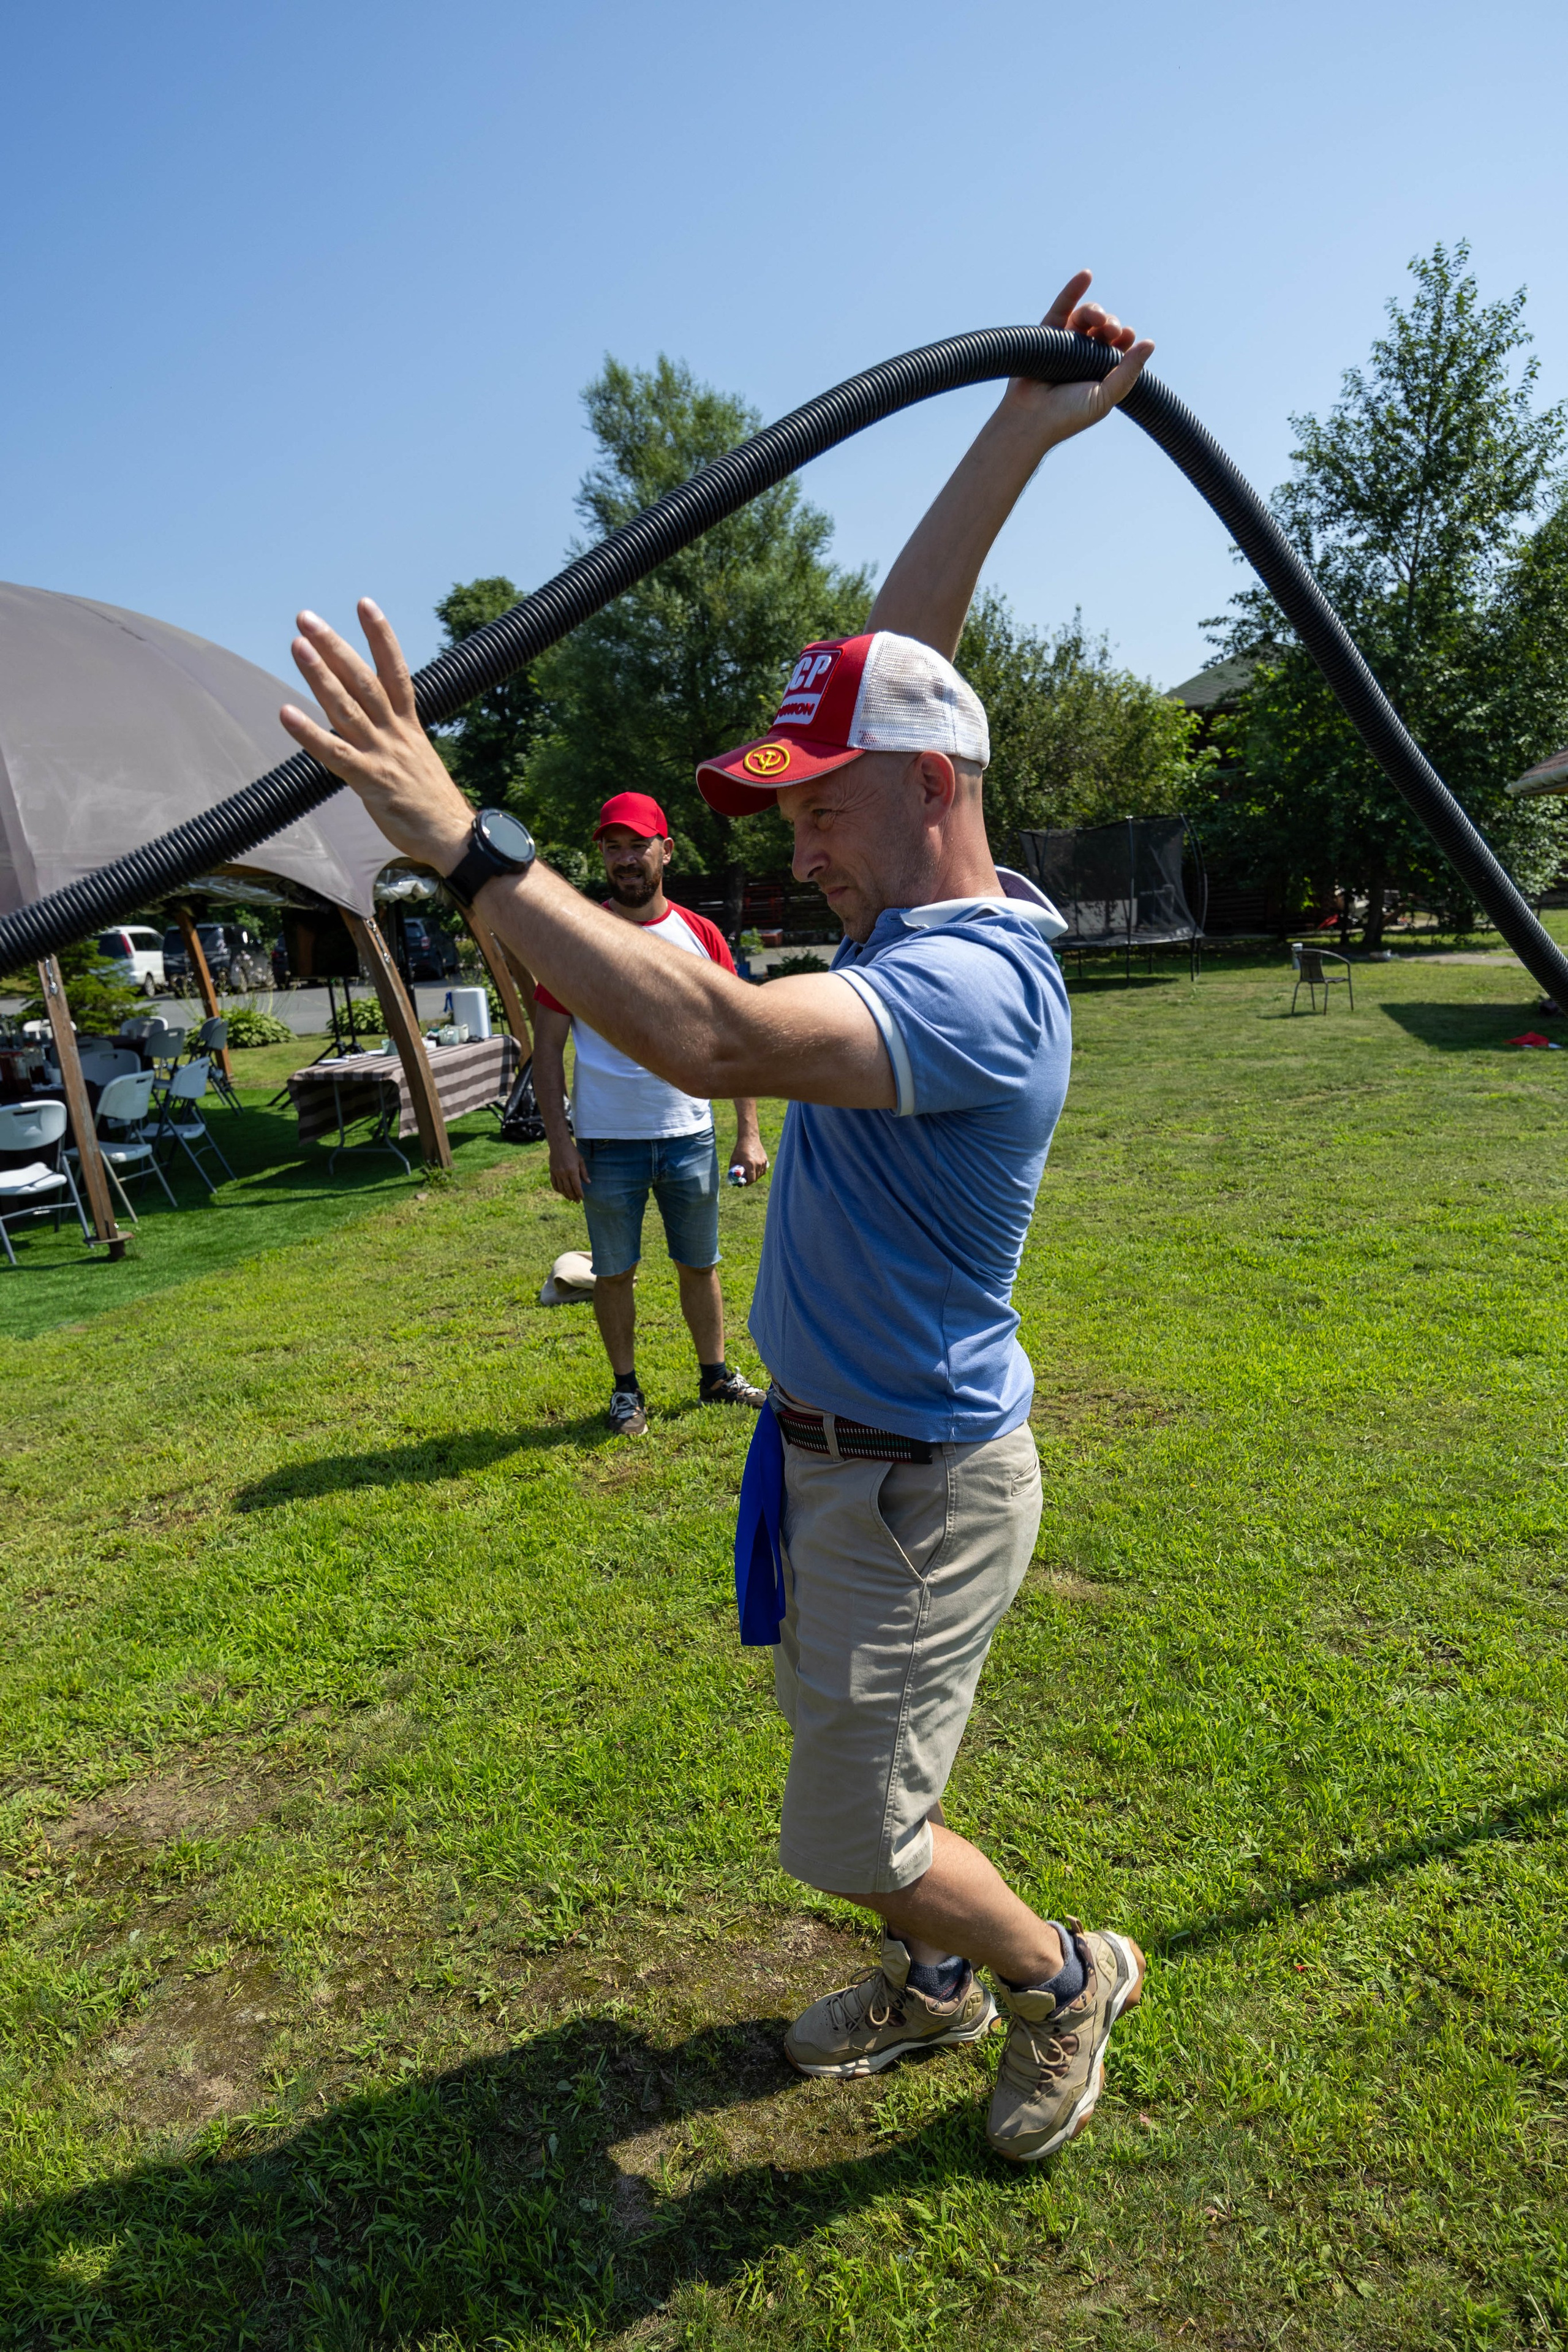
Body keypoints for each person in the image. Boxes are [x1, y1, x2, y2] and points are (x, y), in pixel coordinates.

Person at [281, 270, 1153, 2165]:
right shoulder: (917, 902)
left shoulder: (974, 990)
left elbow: (710, 1033)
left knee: (855, 1830)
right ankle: (935, 1980)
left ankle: (1061, 1973)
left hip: (917, 1478)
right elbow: (906, 655)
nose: (791, 841)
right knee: (859, 1771)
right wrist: (1018, 432)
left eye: (817, 808)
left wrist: (462, 839)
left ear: (929, 789)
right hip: (836, 1450)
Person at [531, 790, 770, 1436]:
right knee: (614, 1274)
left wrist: (748, 1132)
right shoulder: (574, 938)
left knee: (700, 1264)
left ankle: (715, 1376)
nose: (625, 859)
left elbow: (736, 1035)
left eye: (638, 845)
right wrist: (560, 1143)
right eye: (613, 847)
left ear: (666, 850)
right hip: (607, 1143)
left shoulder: (700, 935)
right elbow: (546, 1051)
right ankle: (625, 1390)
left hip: (689, 1134)